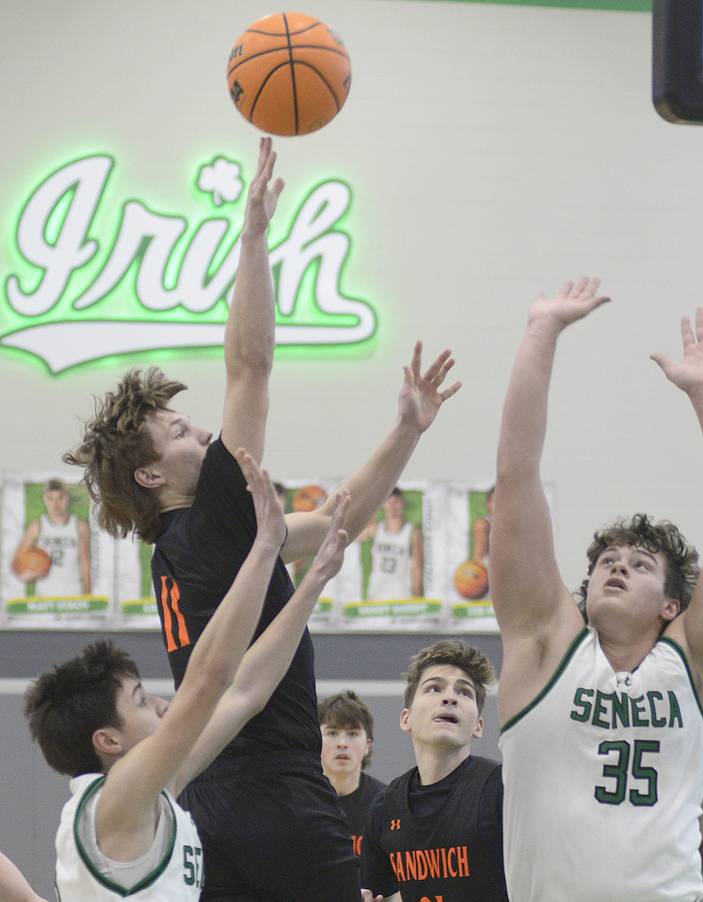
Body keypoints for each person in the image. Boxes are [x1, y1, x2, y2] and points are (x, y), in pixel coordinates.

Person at [64, 138, 459, 902]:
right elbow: (251, 365)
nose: (205, 435)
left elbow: (341, 520)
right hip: (277, 786)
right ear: (151, 475)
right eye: (180, 433)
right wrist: (253, 235)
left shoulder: (189, 549)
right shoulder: (212, 513)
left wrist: (408, 430)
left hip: (206, 800)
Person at [491, 278, 703, 902]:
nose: (615, 567)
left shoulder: (692, 661)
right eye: (606, 561)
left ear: (671, 605)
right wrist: (542, 332)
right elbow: (516, 478)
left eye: (640, 565)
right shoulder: (544, 647)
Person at [25, 453, 363, 900]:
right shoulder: (111, 804)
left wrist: (314, 581)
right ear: (108, 740)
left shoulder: (160, 788)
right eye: (142, 700)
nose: (163, 704)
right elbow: (211, 678)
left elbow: (246, 691)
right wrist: (263, 549)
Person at [361, 640, 508, 902]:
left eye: (464, 693)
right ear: (406, 718)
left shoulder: (502, 788)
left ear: (479, 726)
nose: (449, 697)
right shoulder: (384, 808)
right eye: (433, 688)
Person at [319, 691, 386, 866]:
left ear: (368, 745)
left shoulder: (385, 802)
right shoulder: (299, 800)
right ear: (315, 741)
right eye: (332, 733)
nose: (342, 743)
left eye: (352, 733)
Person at [13, 479, 91, 595]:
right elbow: (18, 558)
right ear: (45, 500)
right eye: (51, 498)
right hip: (45, 593)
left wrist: (88, 593)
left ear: (67, 498)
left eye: (60, 498)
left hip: (73, 591)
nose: (56, 504)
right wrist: (29, 572)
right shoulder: (37, 526)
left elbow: (85, 562)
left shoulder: (80, 525)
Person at [363, 488, 423, 600]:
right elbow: (352, 537)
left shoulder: (413, 533)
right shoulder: (375, 529)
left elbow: (417, 566)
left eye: (396, 502)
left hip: (402, 595)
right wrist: (371, 513)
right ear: (383, 505)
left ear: (403, 503)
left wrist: (417, 596)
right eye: (388, 502)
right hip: (377, 595)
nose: (392, 506)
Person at [472, 485, 494, 564]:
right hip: (488, 571)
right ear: (488, 504)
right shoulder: (484, 524)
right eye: (495, 500)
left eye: (504, 500)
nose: (500, 505)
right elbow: (479, 555)